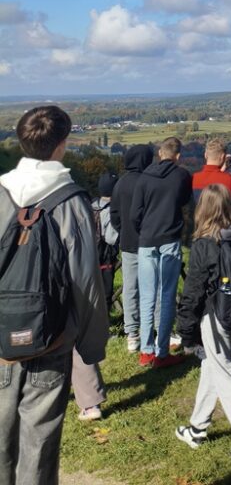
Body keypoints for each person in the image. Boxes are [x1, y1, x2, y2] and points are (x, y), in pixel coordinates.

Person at [0, 105, 109, 485]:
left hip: (0, 337)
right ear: (61, 144)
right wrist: (91, 345)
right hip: (53, 338)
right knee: (40, 446)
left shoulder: (1, 192)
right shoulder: (70, 200)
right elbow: (85, 281)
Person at [175, 184, 231, 463]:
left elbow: (193, 291)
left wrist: (186, 331)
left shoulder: (204, 245)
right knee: (213, 366)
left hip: (215, 316)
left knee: (224, 372)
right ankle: (197, 428)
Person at [130, 136, 192, 368]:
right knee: (167, 296)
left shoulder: (144, 177)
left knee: (147, 296)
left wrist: (144, 230)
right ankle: (162, 352)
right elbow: (184, 201)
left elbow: (135, 214)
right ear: (178, 156)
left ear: (160, 154)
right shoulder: (182, 176)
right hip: (170, 239)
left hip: (147, 239)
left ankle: (146, 351)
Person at [110, 143, 154, 351]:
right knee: (153, 287)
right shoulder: (150, 181)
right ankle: (152, 329)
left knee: (130, 288)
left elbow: (114, 216)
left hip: (128, 242)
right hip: (151, 241)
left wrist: (125, 230)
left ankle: (132, 333)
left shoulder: (120, 183)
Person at [192, 139, 231, 203]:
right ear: (223, 156)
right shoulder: (228, 179)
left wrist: (222, 169)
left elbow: (212, 178)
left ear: (205, 155)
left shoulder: (193, 178)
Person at [93, 172, 119, 315]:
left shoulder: (90, 205)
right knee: (105, 292)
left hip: (88, 256)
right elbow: (111, 238)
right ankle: (103, 321)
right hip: (105, 257)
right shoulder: (111, 210)